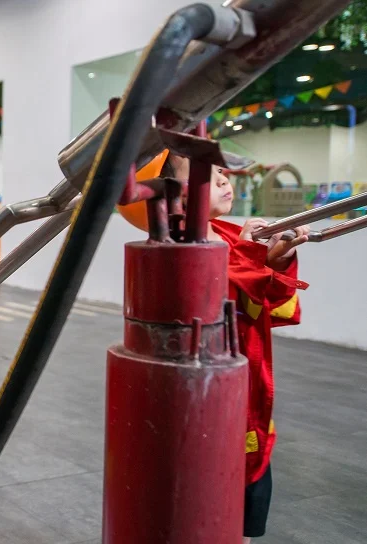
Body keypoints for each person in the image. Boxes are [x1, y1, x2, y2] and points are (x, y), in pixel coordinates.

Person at [164, 153, 310, 542]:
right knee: (207, 499)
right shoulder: (178, 245)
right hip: (213, 395)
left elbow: (268, 309)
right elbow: (210, 308)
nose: (225, 179)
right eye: (211, 176)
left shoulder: (228, 234)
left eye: (222, 172)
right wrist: (250, 254)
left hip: (251, 393)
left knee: (246, 502)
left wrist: (278, 259)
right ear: (176, 197)